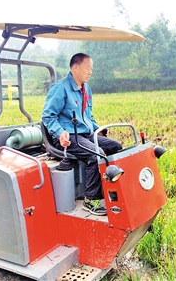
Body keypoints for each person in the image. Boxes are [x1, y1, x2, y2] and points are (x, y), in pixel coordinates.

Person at [42, 53, 122, 216]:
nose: (90, 72)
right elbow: (48, 116)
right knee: (96, 154)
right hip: (67, 137)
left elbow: (87, 115)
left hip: (83, 134)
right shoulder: (61, 88)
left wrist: (97, 128)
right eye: (88, 68)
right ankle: (90, 200)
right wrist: (59, 133)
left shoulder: (86, 89)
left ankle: (110, 187)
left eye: (91, 69)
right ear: (75, 67)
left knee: (116, 146)